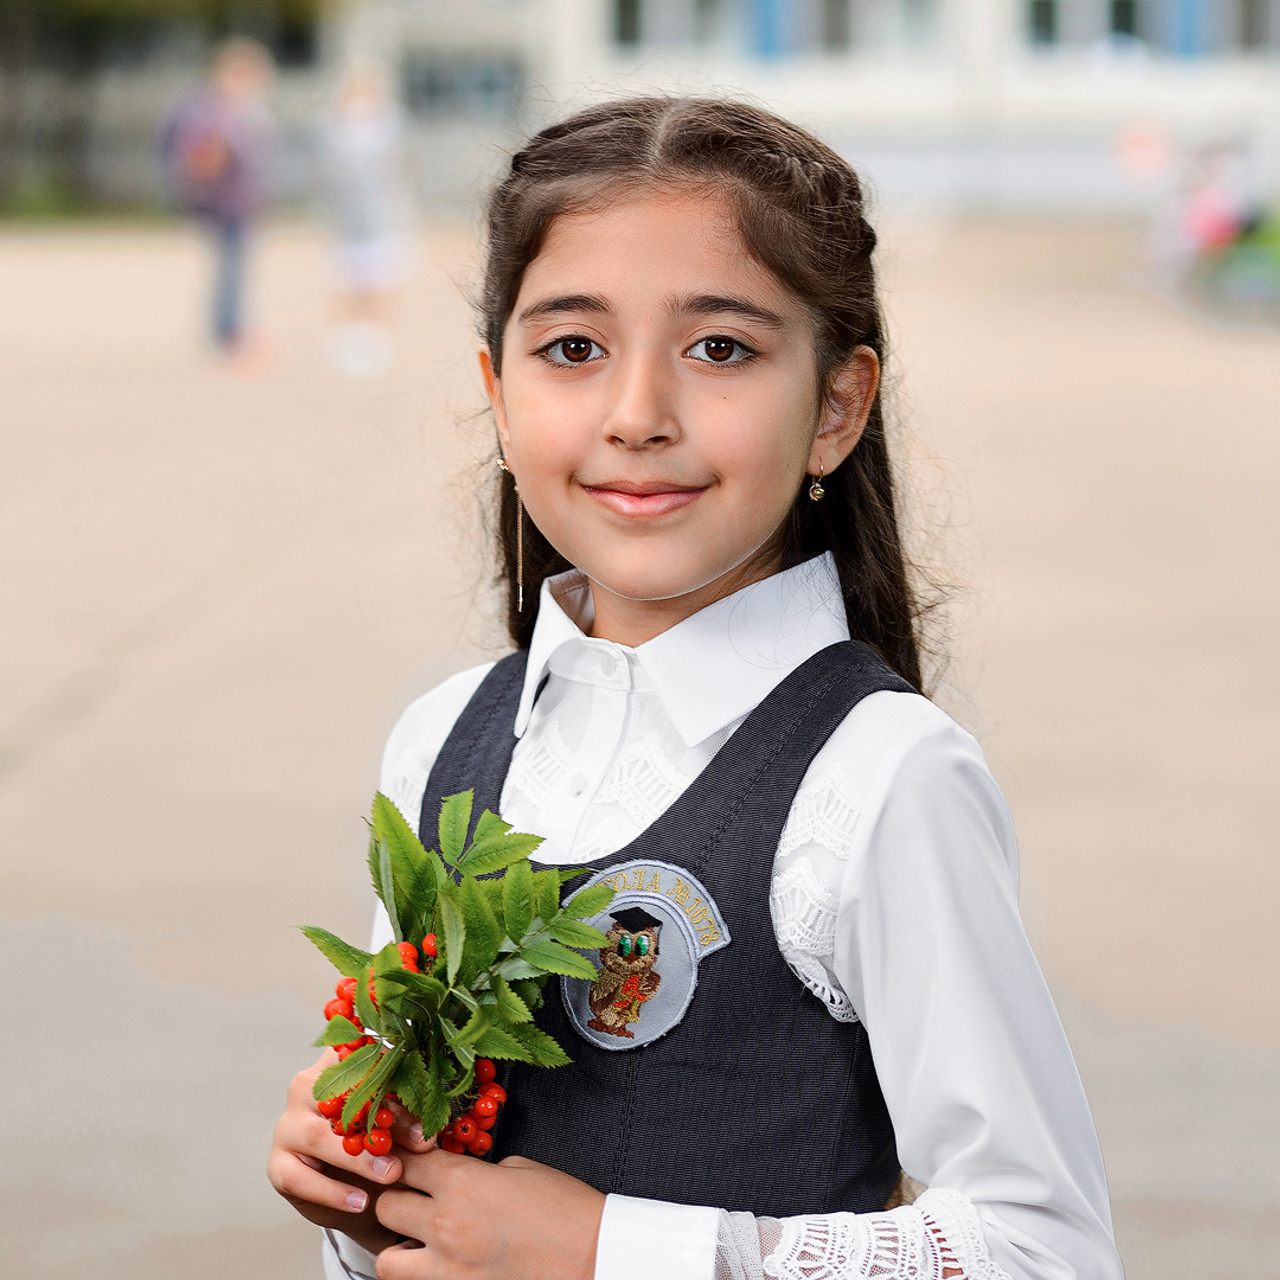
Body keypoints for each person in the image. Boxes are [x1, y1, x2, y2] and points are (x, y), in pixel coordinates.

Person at [268, 97, 1124, 1280]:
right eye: (572, 348)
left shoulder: (879, 777)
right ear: (499, 395)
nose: (635, 416)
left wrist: (607, 1249)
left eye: (718, 347)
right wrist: (360, 1188)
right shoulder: (440, 740)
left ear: (835, 406)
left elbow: (1044, 1249)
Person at [158, 38, 274, 358]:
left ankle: (231, 328)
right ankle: (228, 332)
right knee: (231, 267)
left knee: (235, 267)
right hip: (223, 201)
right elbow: (198, 155)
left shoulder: (242, 108)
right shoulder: (210, 110)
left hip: (242, 200)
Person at [319, 61, 414, 378]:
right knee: (347, 281)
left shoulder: (392, 126)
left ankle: (380, 338)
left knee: (382, 279)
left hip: (383, 216)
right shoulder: (333, 130)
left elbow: (403, 170)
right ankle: (348, 339)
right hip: (346, 221)